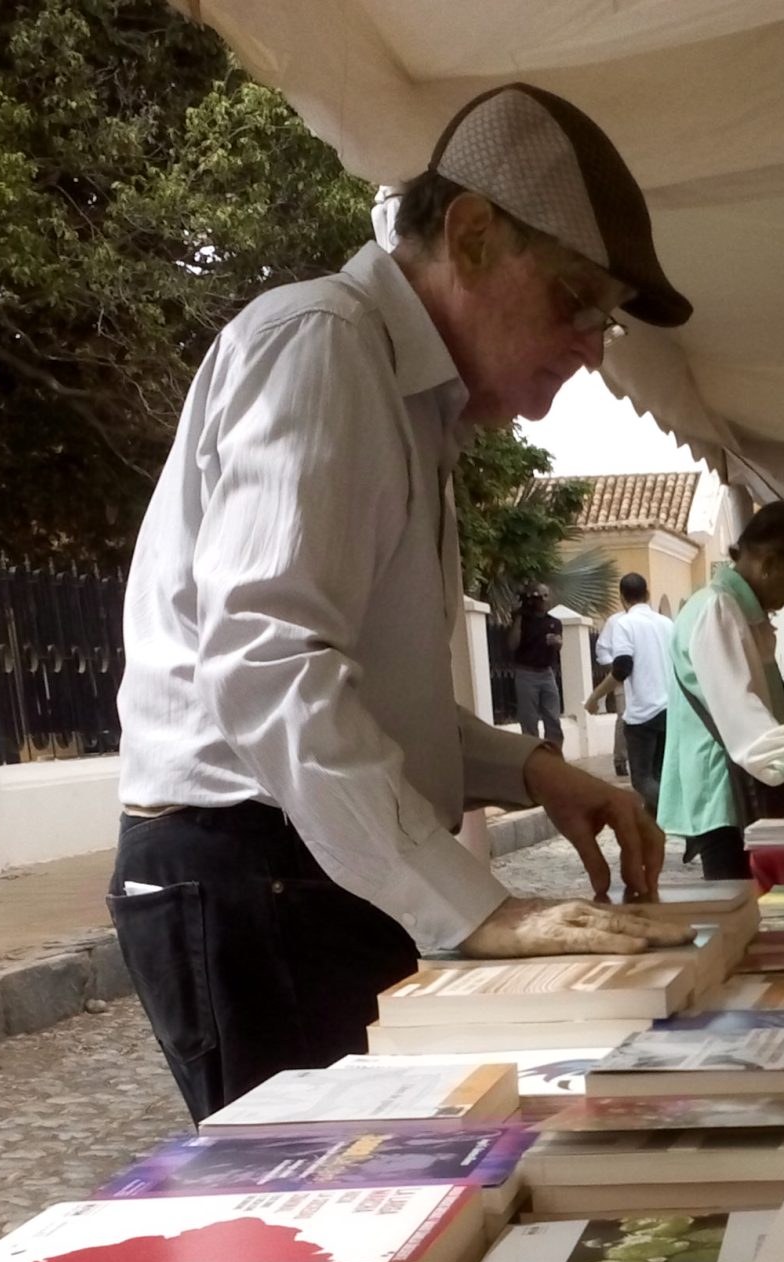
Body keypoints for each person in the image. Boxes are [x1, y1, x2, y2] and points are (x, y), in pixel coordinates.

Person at [112, 84, 686, 1121]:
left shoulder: (409, 401)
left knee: (387, 1199)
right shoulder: (323, 347)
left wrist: (532, 767)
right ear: (469, 237)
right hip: (258, 869)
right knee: (336, 1226)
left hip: (298, 863)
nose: (592, 348)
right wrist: (482, 907)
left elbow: (363, 690)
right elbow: (269, 666)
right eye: (575, 302)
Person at [657, 501, 784, 879]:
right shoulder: (717, 609)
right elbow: (735, 703)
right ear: (769, 563)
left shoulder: (738, 611)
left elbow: (750, 693)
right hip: (726, 792)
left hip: (739, 784)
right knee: (743, 906)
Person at [591, 571, 673, 810]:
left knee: (641, 780)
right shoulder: (667, 624)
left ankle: (681, 818)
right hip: (669, 710)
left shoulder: (624, 624)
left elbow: (622, 668)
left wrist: (594, 697)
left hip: (643, 714)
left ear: (622, 598)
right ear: (647, 595)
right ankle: (652, 838)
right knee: (658, 777)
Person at [510, 586, 565, 747]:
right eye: (539, 597)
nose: (543, 600)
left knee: (553, 717)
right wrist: (519, 617)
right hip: (526, 674)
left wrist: (557, 643)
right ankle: (532, 755)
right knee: (529, 719)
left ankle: (554, 754)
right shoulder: (522, 621)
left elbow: (559, 645)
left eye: (546, 596)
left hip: (547, 673)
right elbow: (512, 645)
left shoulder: (554, 622)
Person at [581, 604, 627, 775]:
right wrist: (616, 669)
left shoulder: (655, 621)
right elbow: (602, 648)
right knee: (624, 717)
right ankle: (620, 760)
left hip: (648, 679)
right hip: (623, 677)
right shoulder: (615, 621)